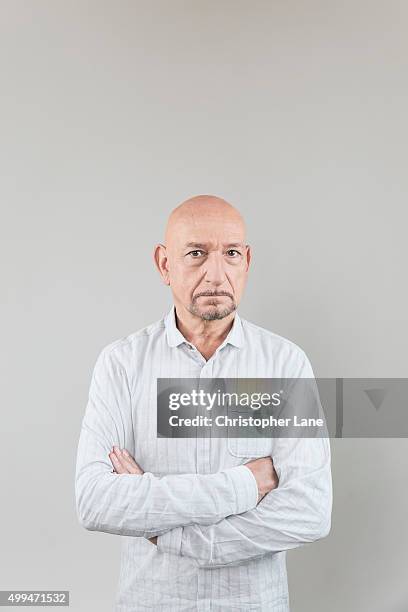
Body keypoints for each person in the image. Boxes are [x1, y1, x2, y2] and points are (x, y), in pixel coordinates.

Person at [75, 195, 332, 611]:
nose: (217, 273)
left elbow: (309, 511)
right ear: (164, 264)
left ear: (246, 261)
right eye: (196, 253)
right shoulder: (121, 364)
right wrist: (246, 484)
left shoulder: (285, 363)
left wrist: (175, 534)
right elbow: (96, 501)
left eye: (231, 253)